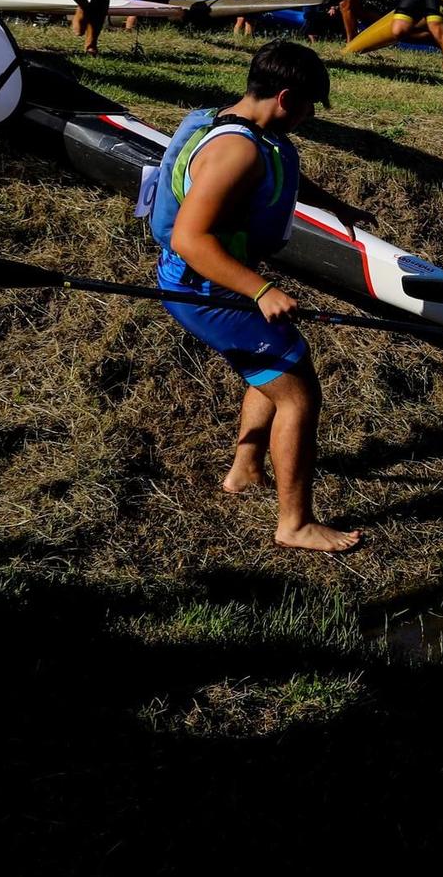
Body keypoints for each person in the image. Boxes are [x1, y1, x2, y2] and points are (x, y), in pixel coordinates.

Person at [149, 41, 361, 553]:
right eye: (309, 106)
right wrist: (261, 290)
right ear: (285, 97)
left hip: (212, 283)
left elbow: (277, 172)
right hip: (208, 287)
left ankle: (244, 470)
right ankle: (295, 524)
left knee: (272, 369)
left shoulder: (238, 126)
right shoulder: (234, 150)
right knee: (298, 393)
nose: (310, 117)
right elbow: (189, 238)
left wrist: (334, 205)